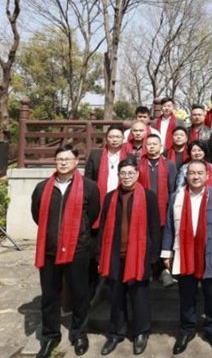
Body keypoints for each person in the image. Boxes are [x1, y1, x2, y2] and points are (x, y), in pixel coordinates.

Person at [31, 145, 100, 358]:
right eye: (59, 159)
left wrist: (79, 234)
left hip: (78, 249)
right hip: (49, 249)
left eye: (67, 159)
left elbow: (93, 214)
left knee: (80, 294)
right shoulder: (43, 187)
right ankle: (50, 336)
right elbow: (36, 214)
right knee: (50, 296)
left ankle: (79, 334)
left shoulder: (89, 187)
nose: (63, 163)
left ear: (76, 161)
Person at [161, 160, 212, 355]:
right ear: (186, 175)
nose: (195, 176)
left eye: (200, 173)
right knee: (186, 295)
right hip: (184, 253)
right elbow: (169, 226)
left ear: (207, 176)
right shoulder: (176, 197)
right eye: (192, 173)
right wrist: (167, 252)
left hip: (210, 252)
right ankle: (187, 330)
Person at [97, 157, 161, 356]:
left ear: (137, 174)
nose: (126, 177)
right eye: (123, 173)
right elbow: (103, 228)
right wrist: (100, 253)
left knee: (139, 296)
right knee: (116, 296)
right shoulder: (110, 197)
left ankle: (141, 332)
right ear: (118, 175)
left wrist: (154, 256)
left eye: (130, 173)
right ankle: (116, 332)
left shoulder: (148, 196)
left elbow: (155, 227)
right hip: (114, 254)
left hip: (139, 255)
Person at [83, 125, 126, 299]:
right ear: (106, 138)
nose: (114, 139)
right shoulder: (96, 155)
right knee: (95, 245)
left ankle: (115, 280)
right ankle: (93, 283)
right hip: (98, 206)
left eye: (118, 137)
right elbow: (87, 180)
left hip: (120, 204)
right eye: (112, 136)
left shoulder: (128, 156)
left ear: (123, 139)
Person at [136, 134, 177, 228]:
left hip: (164, 206)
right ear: (145, 146)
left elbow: (172, 188)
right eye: (149, 144)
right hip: (144, 204)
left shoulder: (169, 164)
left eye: (155, 144)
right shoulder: (139, 165)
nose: (152, 146)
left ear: (161, 146)